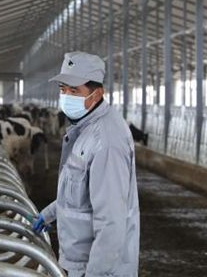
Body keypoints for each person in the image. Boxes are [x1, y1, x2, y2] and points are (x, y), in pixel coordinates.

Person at [32, 51, 139, 276]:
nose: (66, 96)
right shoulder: (86, 129)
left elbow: (111, 223)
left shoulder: (106, 142)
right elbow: (81, 194)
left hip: (97, 268)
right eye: (63, 89)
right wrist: (51, 212)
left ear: (97, 93)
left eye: (74, 90)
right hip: (78, 262)